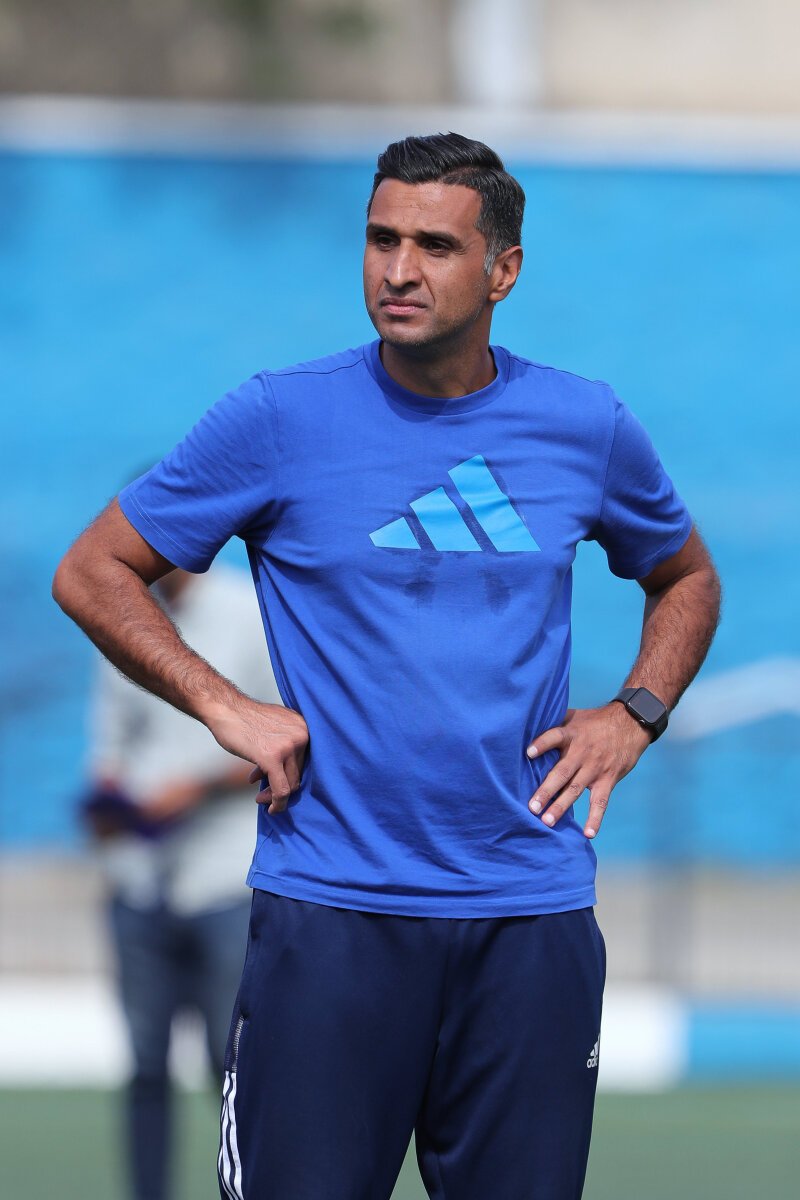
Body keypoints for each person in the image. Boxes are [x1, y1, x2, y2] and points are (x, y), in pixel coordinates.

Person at [54, 133, 721, 1200]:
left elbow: (684, 577)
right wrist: (224, 705)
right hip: (331, 918)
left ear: (502, 270)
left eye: (434, 246)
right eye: (380, 239)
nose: (398, 270)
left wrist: (634, 712)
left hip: (528, 920)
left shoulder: (584, 425)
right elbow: (95, 570)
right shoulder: (279, 416)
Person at [83, 563, 283, 1200]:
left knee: (232, 1064)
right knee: (146, 1067)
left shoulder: (248, 613)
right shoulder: (121, 619)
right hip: (140, 880)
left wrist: (192, 790)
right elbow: (110, 748)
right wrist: (109, 802)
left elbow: (284, 734)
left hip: (225, 878)